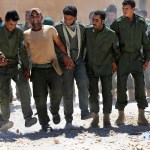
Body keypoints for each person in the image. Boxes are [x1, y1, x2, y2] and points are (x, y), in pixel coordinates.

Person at [24, 8, 73, 132]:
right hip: (37, 70)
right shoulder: (26, 34)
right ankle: (44, 124)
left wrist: (67, 57)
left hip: (53, 68)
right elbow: (23, 53)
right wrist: (25, 68)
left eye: (37, 15)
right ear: (29, 19)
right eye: (32, 16)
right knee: (39, 99)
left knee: (57, 93)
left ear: (41, 17)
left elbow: (60, 45)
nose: (35, 18)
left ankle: (54, 110)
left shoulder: (50, 29)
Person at [111, 0, 150, 126]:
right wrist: (114, 59)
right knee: (121, 85)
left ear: (133, 9)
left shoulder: (141, 22)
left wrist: (146, 59)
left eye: (126, 8)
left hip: (136, 57)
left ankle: (141, 116)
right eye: (123, 8)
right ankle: (121, 116)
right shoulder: (118, 23)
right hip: (122, 57)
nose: (124, 10)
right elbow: (111, 41)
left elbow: (146, 42)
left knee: (140, 84)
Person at [55, 5, 93, 129]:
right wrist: (64, 58)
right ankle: (69, 119)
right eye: (65, 18)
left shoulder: (82, 28)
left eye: (70, 19)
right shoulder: (58, 28)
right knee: (68, 91)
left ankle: (84, 111)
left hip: (79, 61)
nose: (67, 21)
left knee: (83, 82)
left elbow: (86, 45)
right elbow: (55, 47)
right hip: (65, 63)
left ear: (75, 18)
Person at [0, 10, 37, 132]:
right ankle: (5, 121)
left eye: (14, 24)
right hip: (2, 67)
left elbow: (23, 51)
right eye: (10, 24)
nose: (12, 27)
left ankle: (28, 117)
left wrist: (26, 68)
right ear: (5, 22)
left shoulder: (19, 32)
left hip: (16, 65)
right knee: (4, 94)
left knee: (24, 84)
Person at [85, 10, 119, 127]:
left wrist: (114, 62)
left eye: (96, 20)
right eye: (92, 20)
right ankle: (95, 116)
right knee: (93, 94)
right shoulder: (88, 31)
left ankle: (106, 117)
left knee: (107, 93)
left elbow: (116, 51)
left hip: (105, 68)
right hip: (91, 67)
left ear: (103, 21)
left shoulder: (111, 34)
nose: (93, 22)